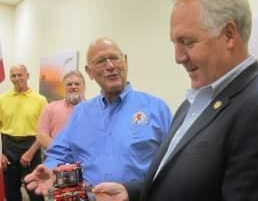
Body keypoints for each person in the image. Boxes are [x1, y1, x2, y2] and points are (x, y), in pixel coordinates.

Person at [89, 0, 258, 201]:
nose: (178, 57)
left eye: (187, 42)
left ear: (228, 34)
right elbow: (186, 185)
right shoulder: (195, 101)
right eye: (175, 43)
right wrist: (131, 193)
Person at [24, 38, 172, 192]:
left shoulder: (157, 109)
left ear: (125, 61)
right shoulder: (80, 113)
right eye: (101, 61)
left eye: (114, 58)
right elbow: (60, 152)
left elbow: (171, 165)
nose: (110, 66)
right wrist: (50, 168)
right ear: (90, 72)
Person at [0, 64, 48, 201]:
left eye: (20, 74)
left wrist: (30, 153)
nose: (17, 78)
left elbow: (44, 131)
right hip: (7, 146)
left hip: (31, 146)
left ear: (27, 76)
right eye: (13, 75)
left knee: (35, 191)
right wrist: (0, 153)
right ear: (10, 78)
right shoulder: (2, 99)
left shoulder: (40, 100)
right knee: (11, 192)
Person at [37, 70, 86, 149]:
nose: (73, 87)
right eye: (69, 84)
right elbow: (42, 135)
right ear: (64, 87)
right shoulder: (49, 108)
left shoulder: (94, 110)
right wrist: (60, 151)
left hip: (84, 159)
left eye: (77, 84)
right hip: (56, 158)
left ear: (83, 87)